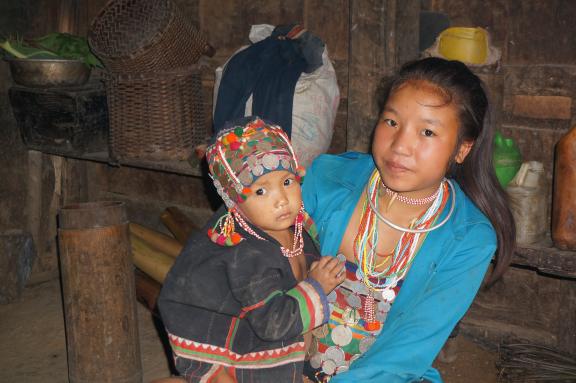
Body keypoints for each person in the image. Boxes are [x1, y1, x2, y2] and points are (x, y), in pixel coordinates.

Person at [301, 57, 515, 382]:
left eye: (427, 131)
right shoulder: (327, 180)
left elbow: (404, 355)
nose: (400, 146)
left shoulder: (468, 238)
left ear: (461, 149)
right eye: (391, 122)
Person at [158, 117, 346, 383]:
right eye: (260, 191)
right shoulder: (246, 255)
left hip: (269, 317)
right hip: (237, 347)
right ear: (234, 202)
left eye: (287, 182)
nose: (281, 199)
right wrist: (316, 286)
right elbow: (272, 324)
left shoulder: (297, 225)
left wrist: (312, 275)